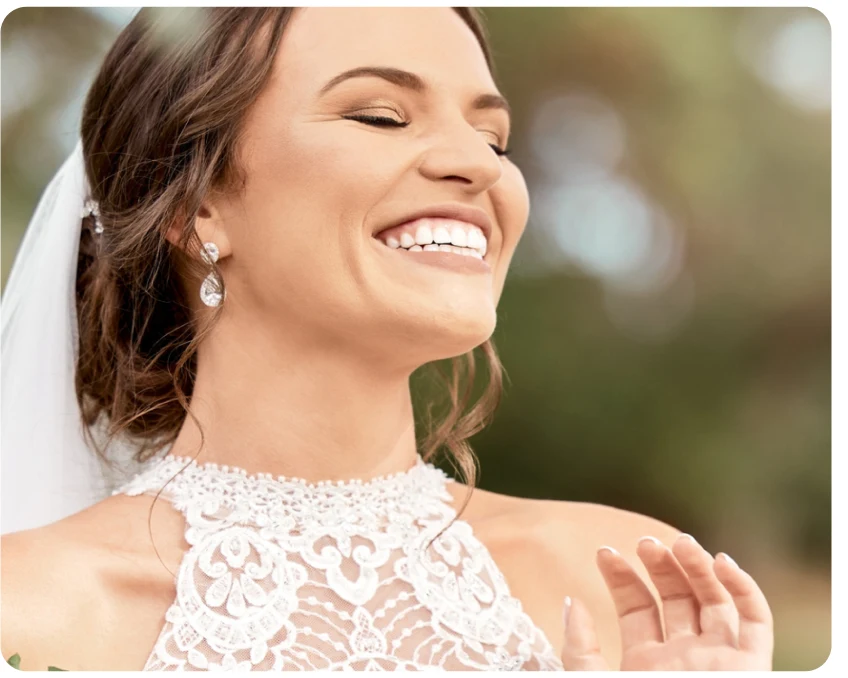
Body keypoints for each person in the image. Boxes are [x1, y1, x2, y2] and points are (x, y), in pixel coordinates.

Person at [0, 7, 773, 671]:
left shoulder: (639, 584)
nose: (478, 164)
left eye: (494, 137)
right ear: (196, 204)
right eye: (380, 115)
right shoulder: (26, 615)